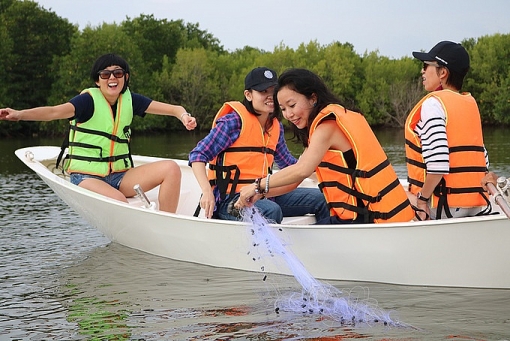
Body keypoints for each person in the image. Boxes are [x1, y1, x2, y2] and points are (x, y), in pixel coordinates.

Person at [0, 53, 197, 213]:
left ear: (125, 77)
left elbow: (174, 108)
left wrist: (184, 117)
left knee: (171, 168)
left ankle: (167, 223)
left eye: (118, 73)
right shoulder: (86, 102)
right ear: (97, 80)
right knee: (119, 201)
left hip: (120, 176)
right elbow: (53, 112)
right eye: (105, 74)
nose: (112, 78)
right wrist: (19, 114)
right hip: (87, 177)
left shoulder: (131, 100)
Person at [237, 68, 415, 224]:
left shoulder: (327, 127)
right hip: (367, 217)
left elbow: (302, 170)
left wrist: (257, 185)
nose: (289, 114)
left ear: (313, 98)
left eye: (292, 105)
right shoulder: (321, 128)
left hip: (368, 219)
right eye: (283, 109)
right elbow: (295, 181)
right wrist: (261, 194)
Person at [189, 66, 329, 223]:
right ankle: (268, 247)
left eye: (273, 91)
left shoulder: (275, 126)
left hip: (263, 193)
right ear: (248, 95)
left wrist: (319, 174)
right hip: (231, 200)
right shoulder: (232, 122)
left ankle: (326, 243)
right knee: (270, 210)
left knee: (323, 198)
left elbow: (288, 164)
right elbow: (197, 155)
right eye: (263, 92)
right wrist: (207, 191)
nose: (270, 96)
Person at [405, 41, 490, 220]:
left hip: (444, 207)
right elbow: (483, 161)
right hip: (476, 204)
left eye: (426, 66)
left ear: (442, 72)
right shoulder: (470, 103)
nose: (422, 71)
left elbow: (438, 165)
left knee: (392, 192)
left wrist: (422, 200)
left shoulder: (433, 104)